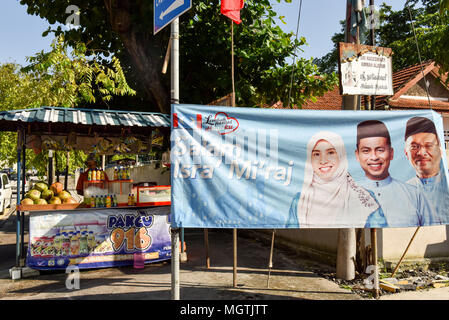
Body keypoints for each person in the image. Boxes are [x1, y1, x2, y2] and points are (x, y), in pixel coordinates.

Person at [287, 131, 382, 228]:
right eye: (316, 154)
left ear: (341, 156)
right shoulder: (300, 200)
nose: (323, 161)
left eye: (330, 153)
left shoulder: (365, 199)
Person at [354, 120, 435, 227]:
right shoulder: (349, 194)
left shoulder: (414, 195)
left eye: (380, 150)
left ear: (391, 153)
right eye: (366, 151)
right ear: (357, 155)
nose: (374, 157)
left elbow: (428, 230)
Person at [404, 116, 449, 224]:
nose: (421, 152)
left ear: (440, 150)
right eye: (414, 146)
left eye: (428, 146)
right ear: (406, 153)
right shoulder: (403, 193)